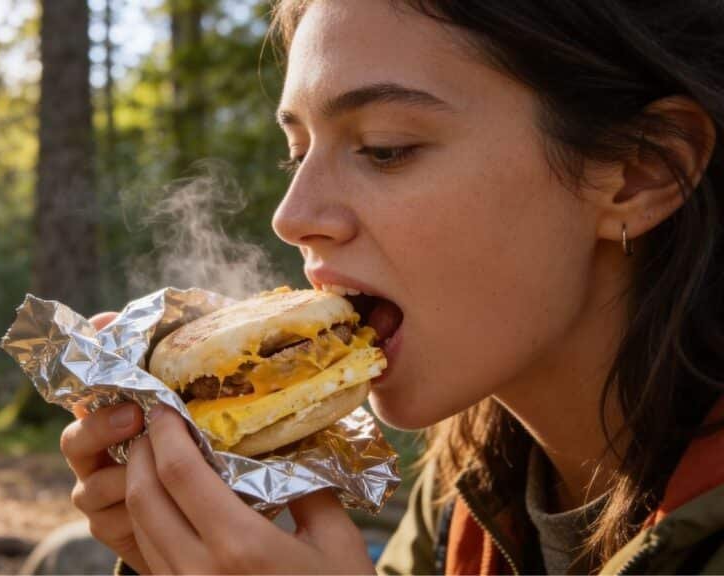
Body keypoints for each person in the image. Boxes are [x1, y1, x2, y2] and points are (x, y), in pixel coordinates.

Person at [60, 0, 724, 573]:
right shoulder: (461, 493)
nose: (291, 218)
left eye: (385, 147)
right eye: (298, 152)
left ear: (641, 173)